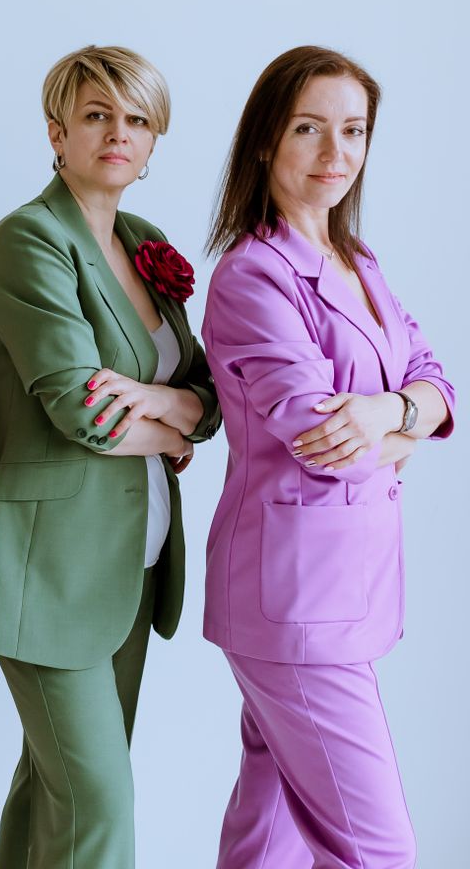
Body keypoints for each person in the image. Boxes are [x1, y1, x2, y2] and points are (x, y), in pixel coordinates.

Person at [0, 45, 221, 869]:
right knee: (98, 802)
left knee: (53, 793)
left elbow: (207, 391)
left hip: (131, 562)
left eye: (136, 119)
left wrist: (172, 406)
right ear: (56, 131)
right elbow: (83, 411)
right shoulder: (28, 240)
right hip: (49, 565)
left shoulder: (144, 241)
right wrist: (176, 429)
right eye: (97, 115)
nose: (118, 134)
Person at [202, 45, 454, 869]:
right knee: (378, 850)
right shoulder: (253, 277)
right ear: (266, 140)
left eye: (354, 130)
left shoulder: (361, 264)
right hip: (295, 601)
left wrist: (389, 411)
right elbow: (324, 440)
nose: (335, 152)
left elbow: (437, 381)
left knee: (269, 835)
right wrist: (407, 428)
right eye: (309, 128)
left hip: (344, 589)